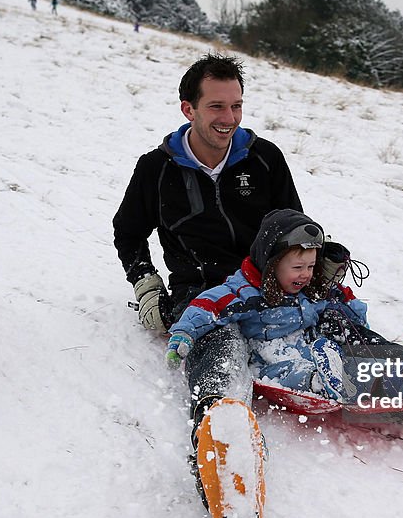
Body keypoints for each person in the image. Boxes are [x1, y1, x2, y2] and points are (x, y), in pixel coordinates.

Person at [112, 53, 303, 437]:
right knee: (220, 352)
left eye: (236, 106)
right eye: (216, 106)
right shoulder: (156, 169)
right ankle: (225, 433)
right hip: (203, 293)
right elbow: (128, 232)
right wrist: (146, 284)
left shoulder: (264, 158)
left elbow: (292, 224)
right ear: (189, 109)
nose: (229, 118)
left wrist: (314, 258)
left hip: (269, 283)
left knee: (334, 330)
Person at [165, 209, 368, 401]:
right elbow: (208, 305)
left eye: (311, 266)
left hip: (307, 345)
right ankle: (318, 382)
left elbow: (342, 302)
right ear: (272, 264)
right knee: (286, 372)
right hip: (268, 357)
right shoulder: (246, 291)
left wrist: (358, 323)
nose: (306, 274)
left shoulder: (308, 287)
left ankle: (379, 367)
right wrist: (184, 334)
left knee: (336, 335)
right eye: (298, 267)